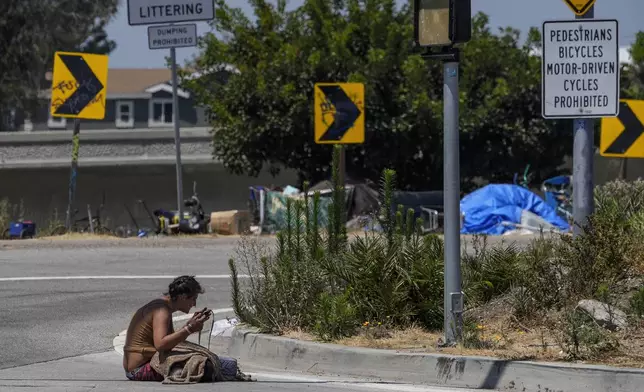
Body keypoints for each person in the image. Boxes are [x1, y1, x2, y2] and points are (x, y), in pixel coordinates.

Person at [122, 275, 212, 381]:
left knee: (202, 360)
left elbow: (170, 343)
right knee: (205, 366)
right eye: (193, 299)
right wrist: (189, 328)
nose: (194, 304)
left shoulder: (163, 307)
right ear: (183, 297)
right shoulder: (162, 310)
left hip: (137, 367)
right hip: (139, 369)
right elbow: (161, 345)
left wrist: (189, 325)